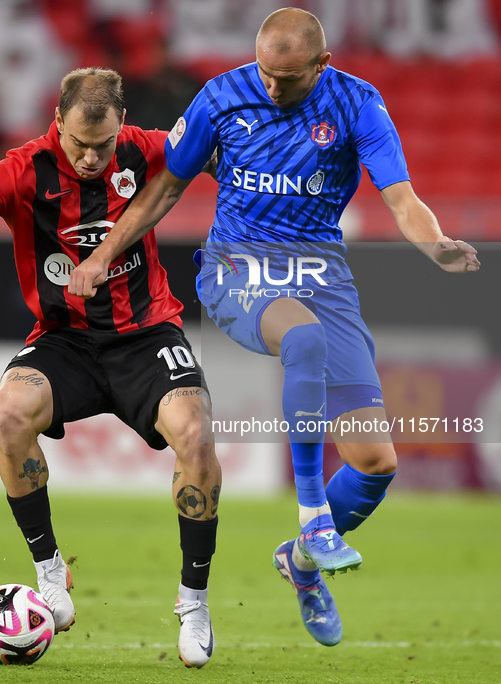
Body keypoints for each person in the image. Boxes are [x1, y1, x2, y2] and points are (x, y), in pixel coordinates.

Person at [67, 9, 480, 648]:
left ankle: (301, 562)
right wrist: (101, 254)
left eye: (288, 78)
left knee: (375, 463)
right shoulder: (223, 97)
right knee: (305, 338)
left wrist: (435, 246)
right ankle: (315, 515)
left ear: (322, 64)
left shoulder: (357, 103)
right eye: (266, 72)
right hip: (236, 266)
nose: (273, 87)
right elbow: (164, 189)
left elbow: (402, 198)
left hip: (322, 274)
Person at [0, 67, 221, 670]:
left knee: (197, 434)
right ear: (57, 124)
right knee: (8, 414)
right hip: (65, 341)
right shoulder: (25, 167)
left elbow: (216, 149)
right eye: (78, 143)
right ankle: (50, 574)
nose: (89, 157)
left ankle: (194, 602)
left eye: (102, 145)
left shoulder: (145, 150)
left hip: (145, 334)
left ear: (121, 129)